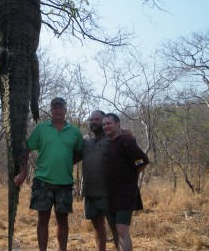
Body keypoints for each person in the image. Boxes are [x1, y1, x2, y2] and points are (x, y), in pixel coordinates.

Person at [14, 97, 84, 251]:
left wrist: (67, 162)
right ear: (51, 110)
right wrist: (24, 170)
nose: (57, 110)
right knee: (42, 219)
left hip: (64, 182)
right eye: (54, 108)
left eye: (60, 108)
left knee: (62, 220)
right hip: (42, 181)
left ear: (66, 110)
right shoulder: (41, 129)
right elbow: (27, 148)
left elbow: (80, 152)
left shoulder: (74, 132)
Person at [102, 113, 149, 251]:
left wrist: (132, 176)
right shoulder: (110, 144)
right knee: (117, 230)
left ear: (118, 124)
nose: (105, 126)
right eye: (104, 124)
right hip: (112, 194)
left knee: (122, 229)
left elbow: (142, 161)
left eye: (109, 123)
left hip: (125, 193)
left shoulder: (125, 141)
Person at [80, 110, 111, 251]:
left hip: (109, 193)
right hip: (90, 191)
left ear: (104, 121)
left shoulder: (112, 139)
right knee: (98, 228)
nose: (94, 122)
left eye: (97, 120)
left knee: (116, 228)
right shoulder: (85, 141)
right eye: (91, 120)